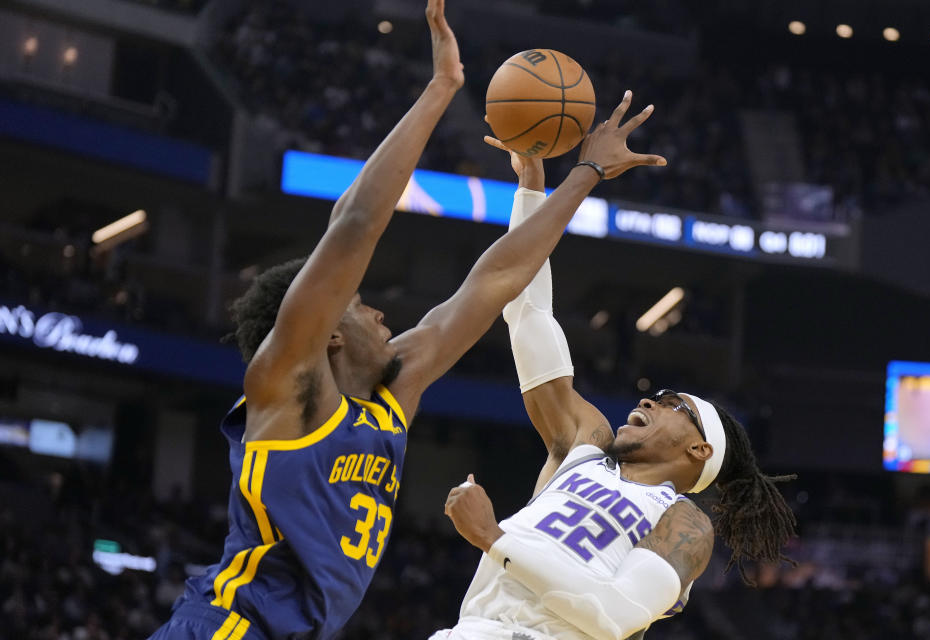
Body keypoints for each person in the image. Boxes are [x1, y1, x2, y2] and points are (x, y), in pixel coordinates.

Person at [148, 2, 668, 638]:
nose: (380, 310)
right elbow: (356, 224)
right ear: (326, 333)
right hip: (230, 628)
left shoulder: (398, 387)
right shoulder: (286, 386)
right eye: (361, 304)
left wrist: (579, 174)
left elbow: (498, 279)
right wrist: (442, 88)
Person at [438, 141, 797, 640]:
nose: (649, 400)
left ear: (700, 448)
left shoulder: (686, 524)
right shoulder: (584, 445)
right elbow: (528, 313)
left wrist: (493, 538)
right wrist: (530, 191)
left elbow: (616, 615)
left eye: (674, 405)